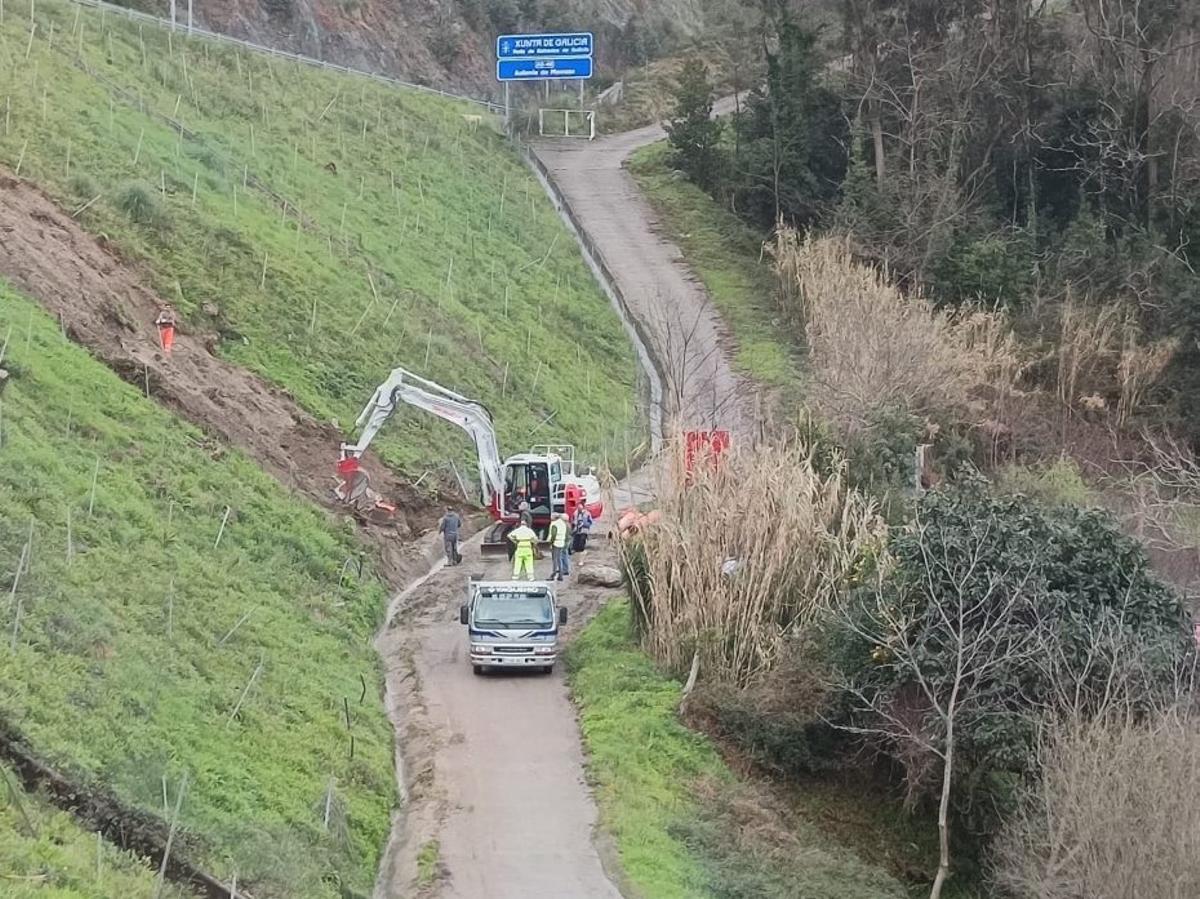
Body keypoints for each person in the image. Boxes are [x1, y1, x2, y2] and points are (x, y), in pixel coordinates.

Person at [548, 513, 571, 581]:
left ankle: (553, 574)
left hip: (556, 543)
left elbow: (553, 534)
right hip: (561, 542)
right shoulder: (563, 524)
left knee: (555, 560)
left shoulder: (554, 524)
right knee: (559, 559)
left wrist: (551, 542)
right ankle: (560, 575)